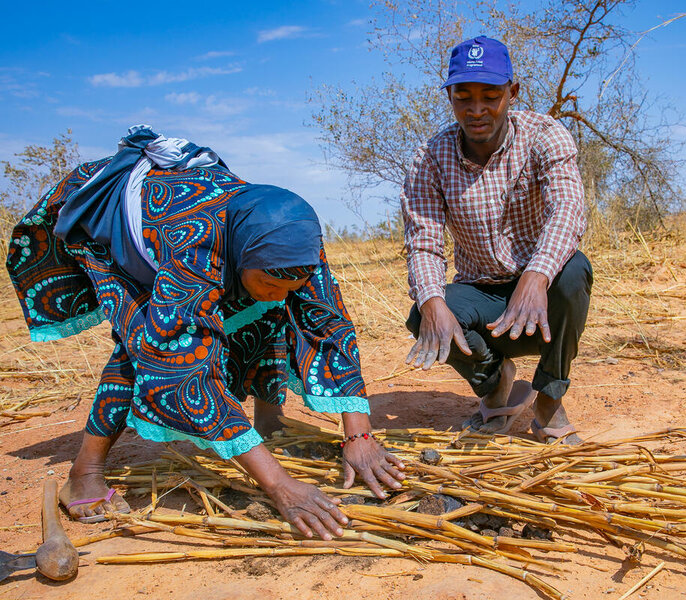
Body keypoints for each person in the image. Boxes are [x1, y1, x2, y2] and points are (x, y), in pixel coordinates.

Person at [6, 126, 404, 538]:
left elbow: (329, 324)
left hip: (213, 229)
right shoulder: (191, 253)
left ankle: (270, 423)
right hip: (107, 221)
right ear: (239, 253)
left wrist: (358, 435)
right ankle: (84, 472)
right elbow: (179, 363)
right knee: (144, 341)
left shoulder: (292, 240)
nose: (276, 292)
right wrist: (280, 485)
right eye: (269, 280)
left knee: (266, 307)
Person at [402, 36, 592, 444]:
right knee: (424, 314)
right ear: (449, 96)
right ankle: (495, 382)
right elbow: (424, 243)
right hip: (480, 295)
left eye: (490, 96)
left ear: (512, 92)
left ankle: (548, 399)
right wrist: (432, 301)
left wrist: (537, 274)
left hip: (539, 297)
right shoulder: (430, 157)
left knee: (574, 270)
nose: (477, 110)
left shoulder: (544, 135)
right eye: (463, 97)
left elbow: (568, 210)